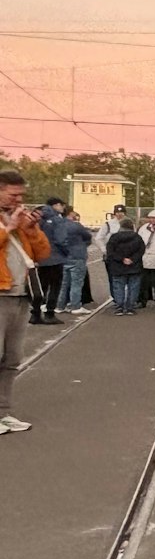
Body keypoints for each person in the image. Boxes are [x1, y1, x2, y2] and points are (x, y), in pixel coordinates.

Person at [0, 172, 53, 434]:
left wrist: (31, 230)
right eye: (13, 194)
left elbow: (42, 253)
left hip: (21, 295)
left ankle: (3, 413)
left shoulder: (20, 221)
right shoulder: (8, 223)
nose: (19, 200)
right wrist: (7, 229)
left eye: (21, 195)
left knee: (11, 359)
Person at [29, 199, 70, 325]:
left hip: (40, 258)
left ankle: (35, 313)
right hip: (55, 257)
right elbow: (61, 239)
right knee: (55, 286)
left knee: (41, 287)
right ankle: (50, 313)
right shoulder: (57, 220)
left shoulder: (38, 219)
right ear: (56, 205)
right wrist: (66, 251)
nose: (63, 208)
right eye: (62, 205)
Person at [105, 219, 145, 315]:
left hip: (117, 266)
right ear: (132, 226)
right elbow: (141, 250)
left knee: (118, 286)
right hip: (134, 266)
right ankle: (130, 307)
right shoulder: (137, 237)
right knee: (133, 287)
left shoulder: (114, 237)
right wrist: (132, 259)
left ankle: (119, 307)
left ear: (121, 226)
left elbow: (110, 252)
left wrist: (121, 259)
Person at [57, 209, 94, 314]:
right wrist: (83, 245)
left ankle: (60, 305)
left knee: (64, 283)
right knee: (76, 283)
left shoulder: (58, 225)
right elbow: (88, 236)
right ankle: (75, 305)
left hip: (64, 256)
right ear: (70, 214)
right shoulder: (76, 226)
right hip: (77, 256)